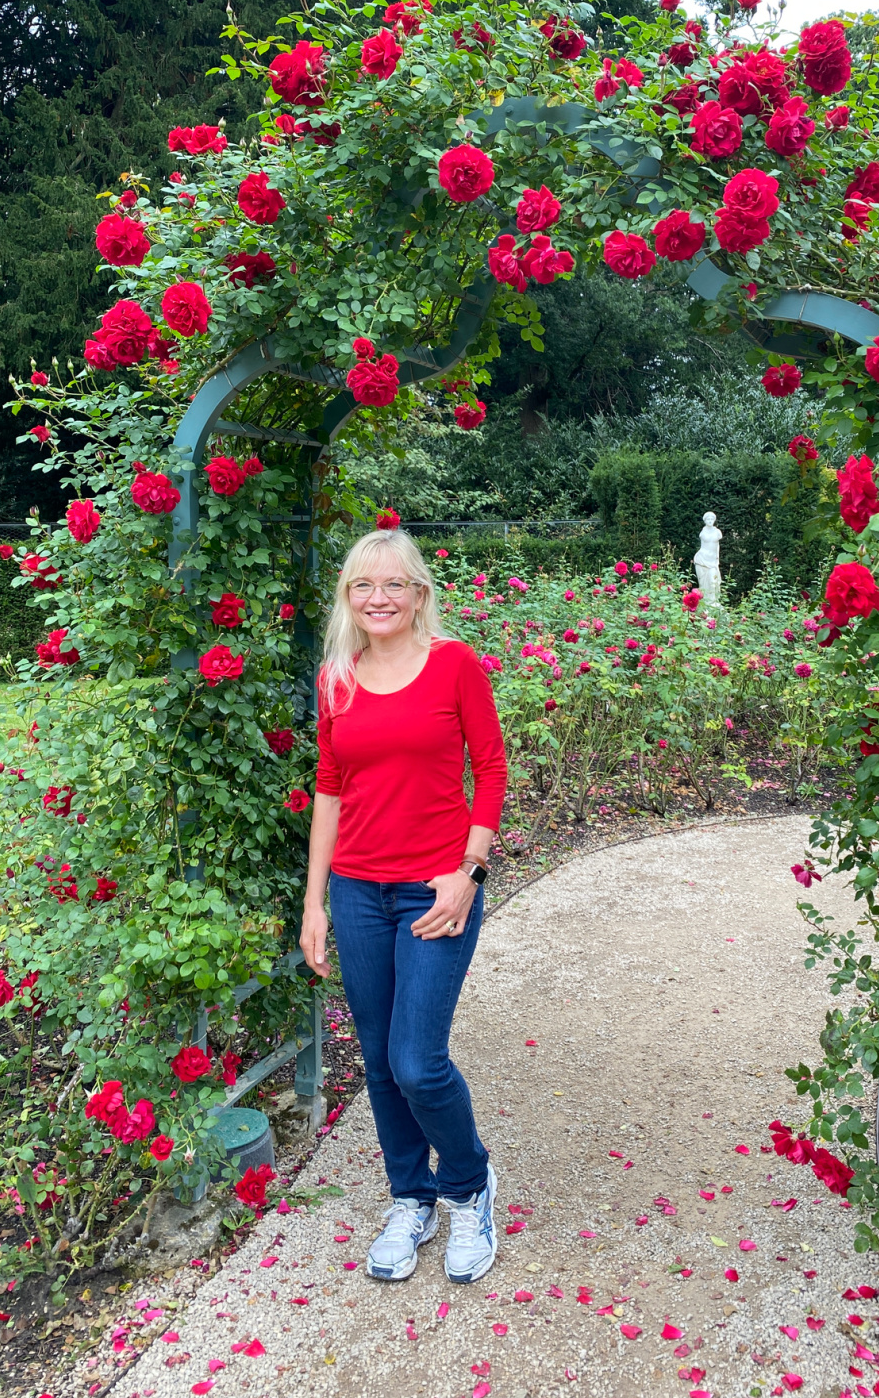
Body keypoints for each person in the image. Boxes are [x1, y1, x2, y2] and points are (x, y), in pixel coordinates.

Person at [299, 527, 507, 1284]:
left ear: (419, 594)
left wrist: (468, 871)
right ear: (348, 598)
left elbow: (489, 766)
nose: (378, 598)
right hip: (356, 891)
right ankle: (409, 1198)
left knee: (418, 1063)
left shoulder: (453, 665)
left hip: (436, 887)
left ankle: (468, 1186)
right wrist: (314, 903)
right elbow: (329, 788)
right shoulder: (337, 679)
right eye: (363, 585)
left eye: (394, 585)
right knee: (381, 1064)